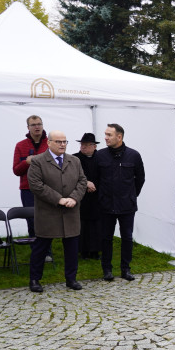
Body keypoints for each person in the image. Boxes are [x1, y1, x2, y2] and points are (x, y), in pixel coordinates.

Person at [27, 131, 88, 292]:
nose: (62, 144)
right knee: (41, 247)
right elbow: (35, 185)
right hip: (48, 212)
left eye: (65, 141)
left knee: (72, 248)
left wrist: (74, 198)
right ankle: (34, 279)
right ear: (49, 142)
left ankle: (71, 279)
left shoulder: (74, 161)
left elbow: (82, 181)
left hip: (71, 211)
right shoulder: (38, 161)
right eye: (58, 141)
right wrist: (58, 199)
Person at [95, 123, 145, 281]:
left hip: (126, 205)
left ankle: (126, 269)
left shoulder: (133, 155)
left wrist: (131, 195)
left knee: (127, 238)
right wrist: (102, 197)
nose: (105, 137)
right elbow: (96, 179)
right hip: (106, 205)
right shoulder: (100, 155)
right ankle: (107, 270)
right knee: (106, 238)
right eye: (105, 134)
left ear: (119, 137)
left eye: (109, 135)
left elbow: (140, 178)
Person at [12, 115, 52, 259]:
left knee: (47, 220)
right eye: (33, 124)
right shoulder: (20, 145)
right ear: (28, 127)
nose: (37, 127)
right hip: (27, 189)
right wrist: (26, 162)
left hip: (47, 188)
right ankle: (36, 251)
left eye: (39, 124)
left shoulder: (50, 143)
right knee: (32, 220)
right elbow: (16, 170)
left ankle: (47, 251)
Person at [73, 132, 102, 259]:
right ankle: (83, 251)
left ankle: (95, 250)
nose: (83, 147)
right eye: (81, 144)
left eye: (86, 145)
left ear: (94, 146)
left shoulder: (101, 158)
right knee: (82, 224)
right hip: (81, 196)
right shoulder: (75, 159)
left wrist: (95, 185)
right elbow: (71, 175)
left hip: (97, 197)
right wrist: (85, 183)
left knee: (96, 225)